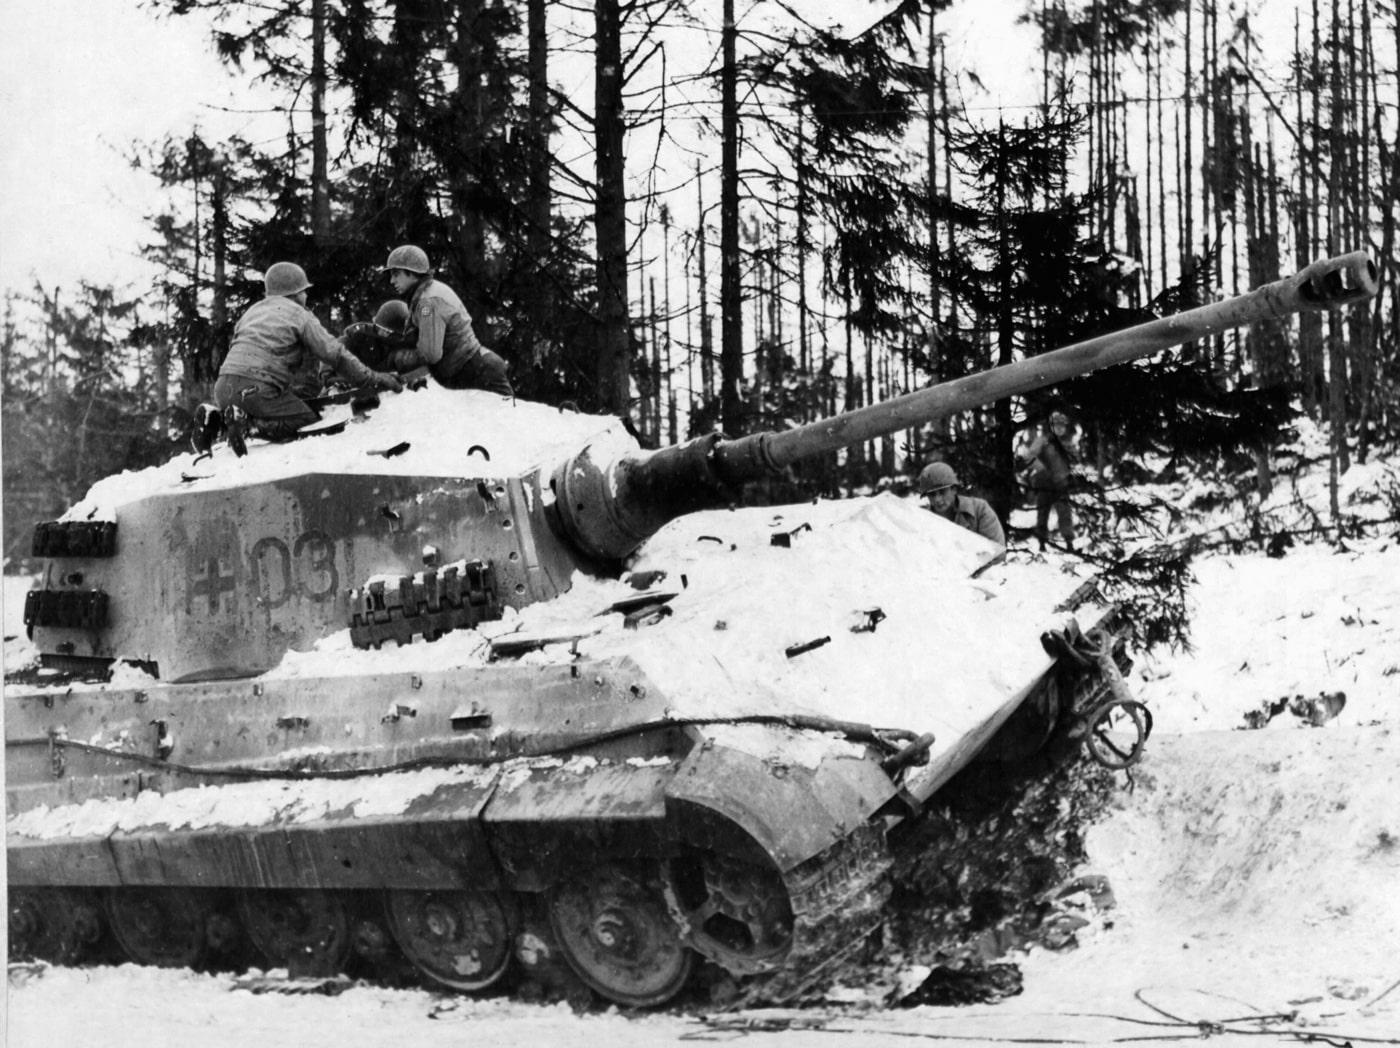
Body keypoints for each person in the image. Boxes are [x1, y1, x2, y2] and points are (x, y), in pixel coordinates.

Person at [210, 262, 403, 456]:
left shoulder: (252, 312)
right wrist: (373, 379)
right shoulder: (299, 314)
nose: (306, 296)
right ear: (294, 293)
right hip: (257, 388)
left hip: (224, 386)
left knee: (284, 403)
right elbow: (334, 353)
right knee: (307, 418)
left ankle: (217, 421)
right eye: (304, 291)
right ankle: (249, 425)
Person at [380, 245, 514, 396]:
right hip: (477, 369)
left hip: (479, 375)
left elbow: (430, 354)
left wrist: (398, 358)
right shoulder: (427, 292)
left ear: (411, 273)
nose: (392, 280)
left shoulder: (428, 302)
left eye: (396, 274)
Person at [1020, 411, 1075, 550]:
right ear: (1051, 426)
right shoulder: (1042, 441)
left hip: (1061, 483)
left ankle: (1069, 542)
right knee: (1043, 513)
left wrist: (1071, 475)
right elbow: (1030, 456)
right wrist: (1042, 470)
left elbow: (1074, 462)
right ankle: (1042, 543)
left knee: (1065, 513)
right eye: (1056, 425)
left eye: (1062, 425)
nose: (1060, 428)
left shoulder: (1067, 444)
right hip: (1044, 483)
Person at [917, 461, 1005, 546]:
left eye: (942, 492)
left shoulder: (979, 510)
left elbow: (996, 553)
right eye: (932, 494)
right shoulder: (922, 519)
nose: (937, 499)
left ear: (954, 489)